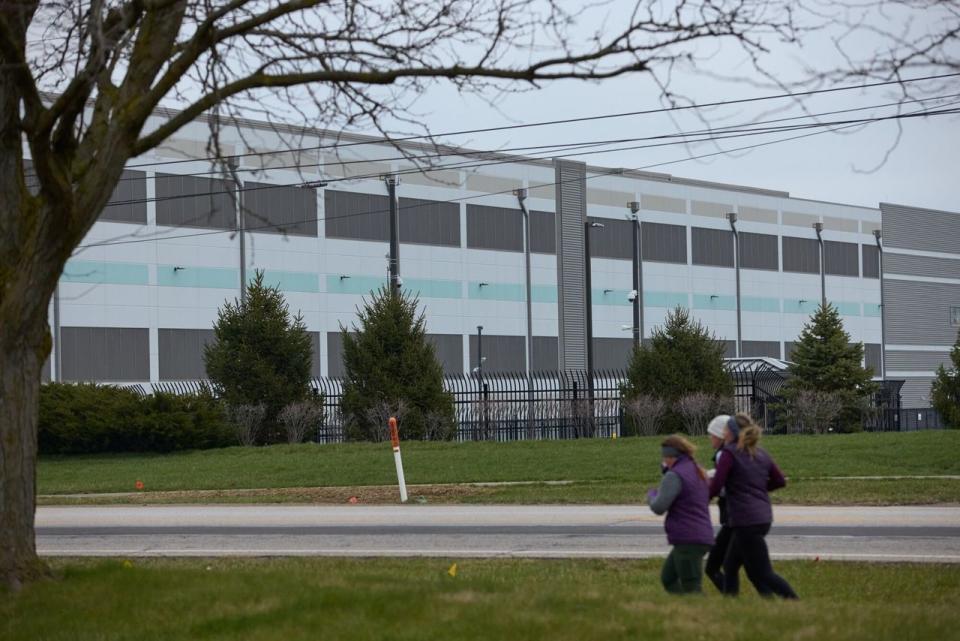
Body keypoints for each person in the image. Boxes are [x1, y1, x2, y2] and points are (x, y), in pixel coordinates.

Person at [709, 413, 799, 599]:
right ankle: (732, 604)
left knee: (763, 572)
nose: (723, 432)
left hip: (745, 521)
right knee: (730, 565)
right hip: (762, 518)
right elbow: (780, 480)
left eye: (726, 429)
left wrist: (700, 501)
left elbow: (717, 485)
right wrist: (759, 490)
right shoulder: (761, 453)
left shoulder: (729, 453)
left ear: (732, 433)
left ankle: (794, 601)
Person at [647, 435, 715, 595]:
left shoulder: (675, 475)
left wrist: (651, 495)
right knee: (668, 578)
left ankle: (701, 614)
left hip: (688, 538)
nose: (663, 460)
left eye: (664, 457)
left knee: (692, 588)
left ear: (670, 456)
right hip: (699, 535)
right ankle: (684, 611)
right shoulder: (696, 469)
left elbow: (659, 507)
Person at [703, 414, 740, 594]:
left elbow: (724, 482)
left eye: (712, 434)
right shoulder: (737, 450)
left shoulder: (723, 454)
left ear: (721, 435)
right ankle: (732, 599)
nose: (710, 438)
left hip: (732, 514)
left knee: (717, 565)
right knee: (736, 564)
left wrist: (709, 484)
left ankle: (731, 598)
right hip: (739, 514)